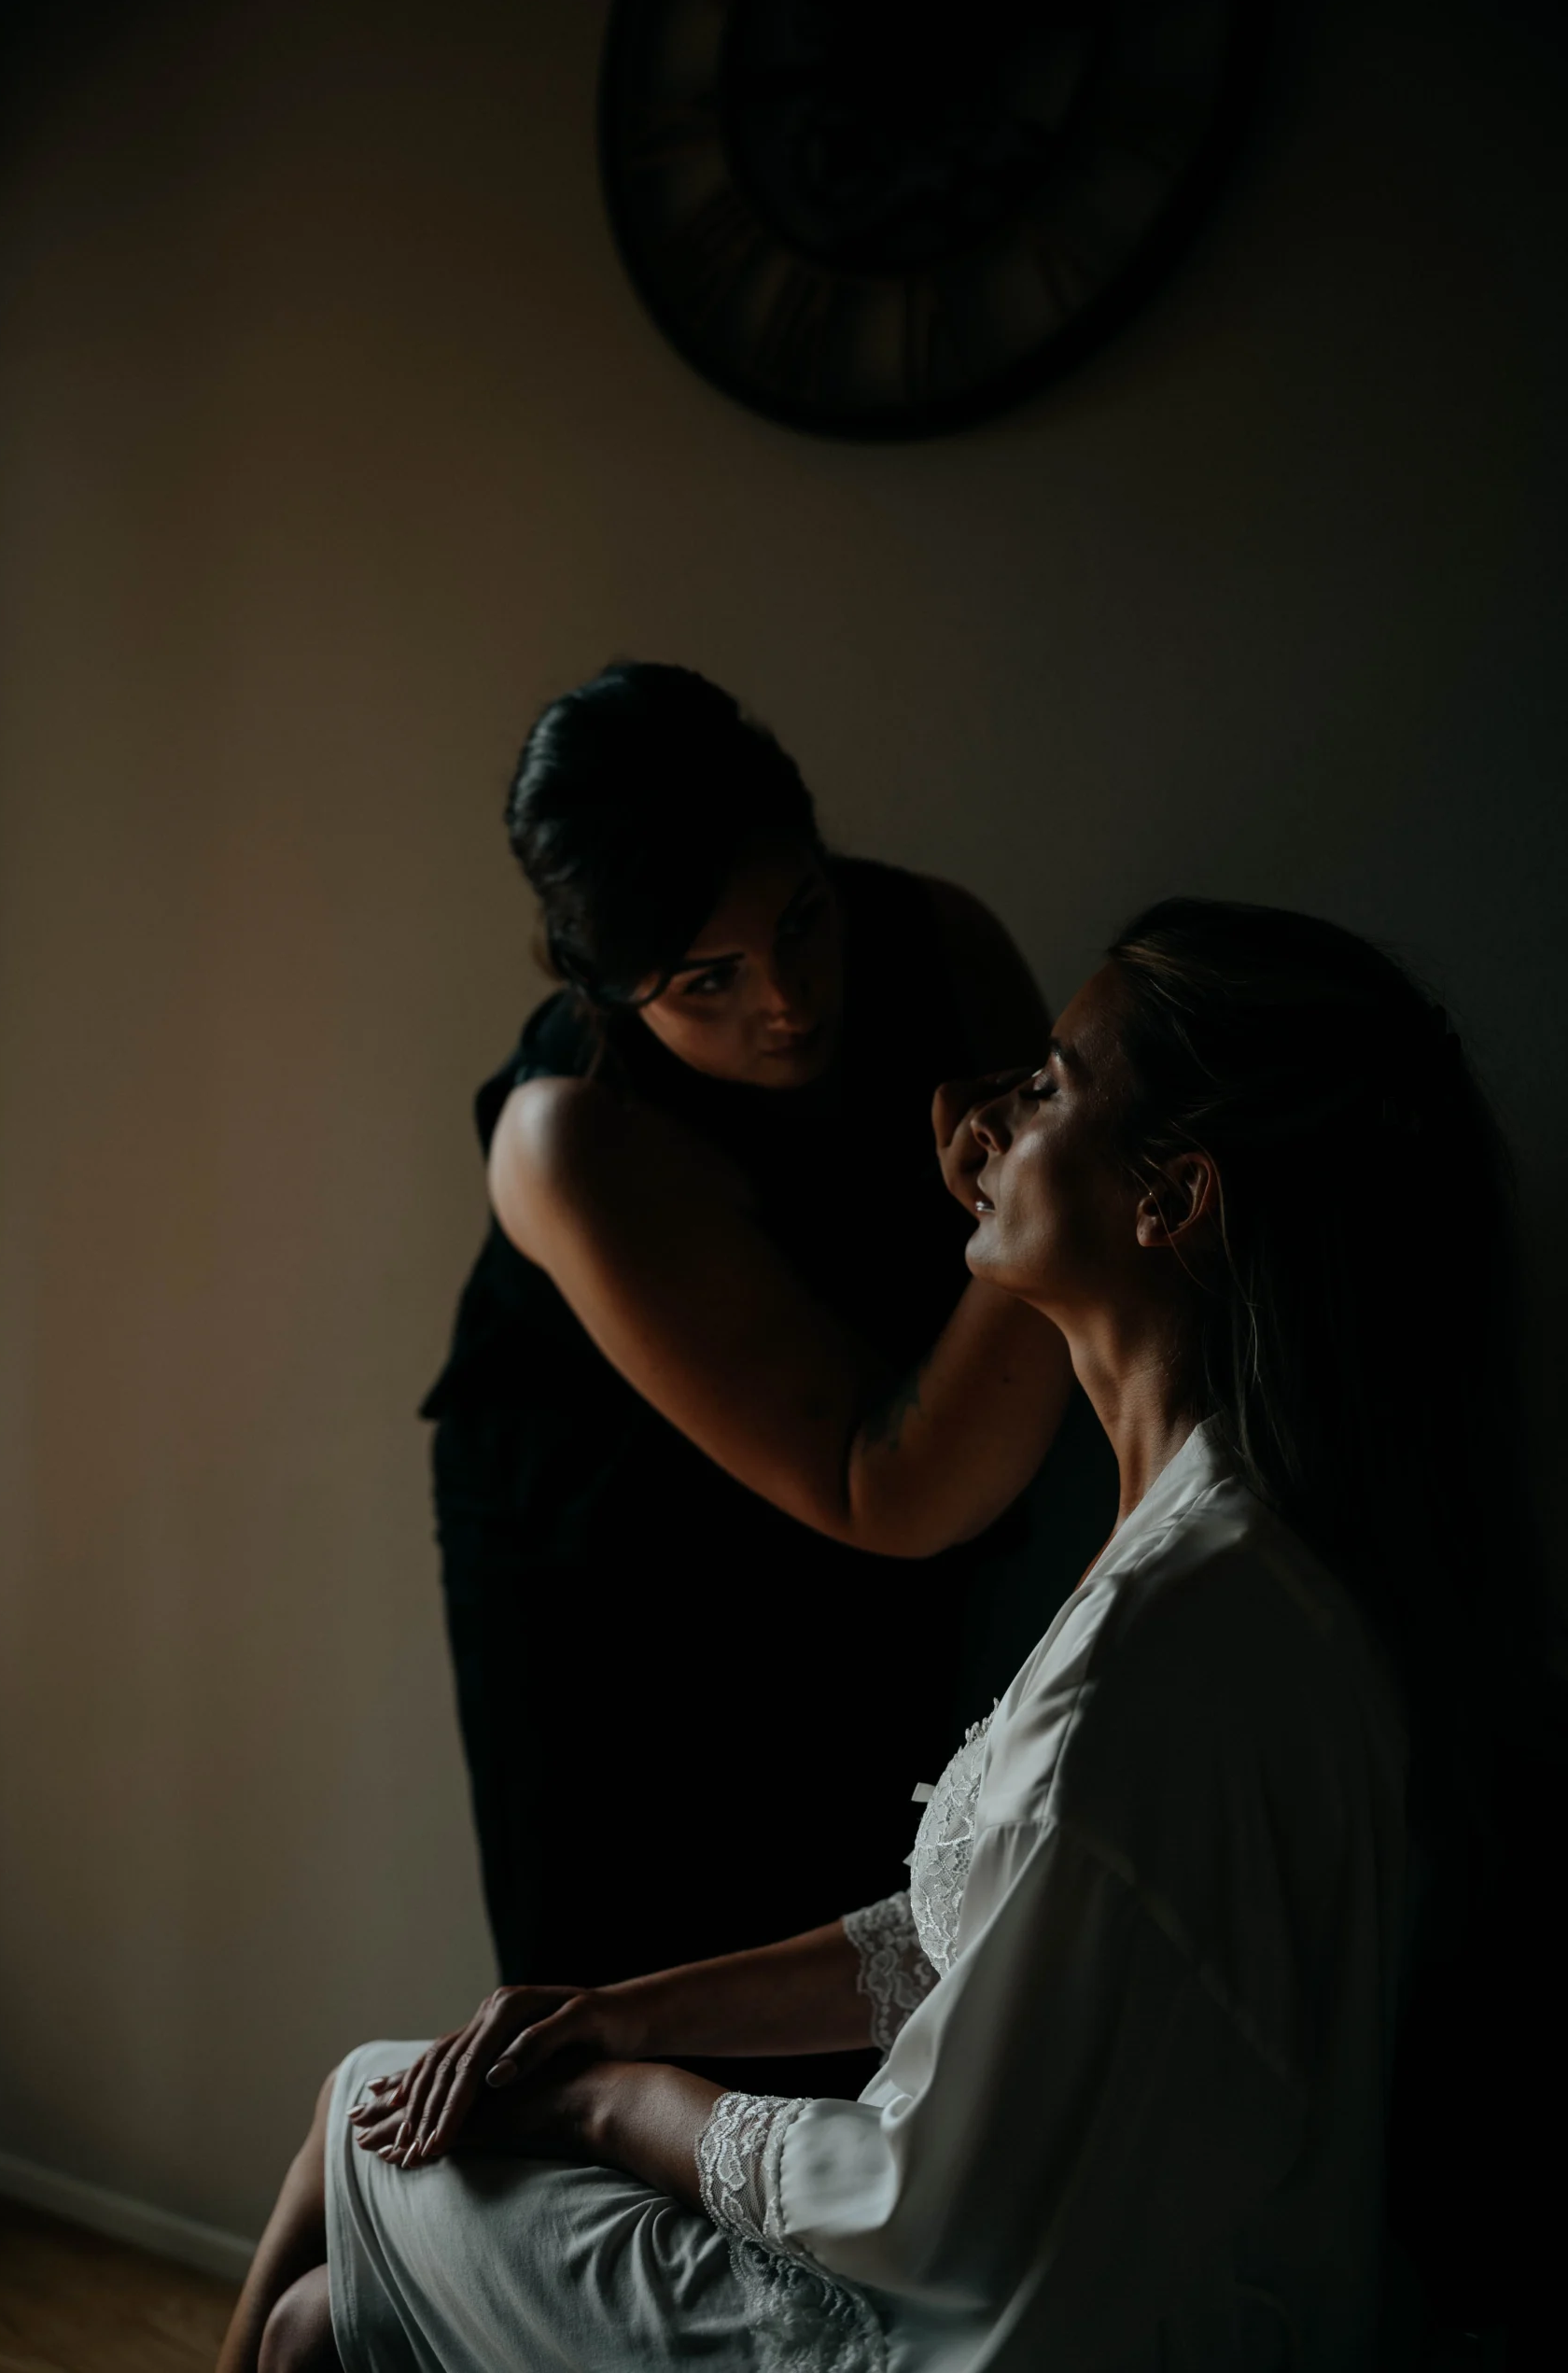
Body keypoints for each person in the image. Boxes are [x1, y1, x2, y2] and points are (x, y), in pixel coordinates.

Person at [219, 897, 1554, 2372]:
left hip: (986, 2329)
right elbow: (962, 1933)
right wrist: (608, 2013)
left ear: (1171, 1198)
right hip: (1085, 2278)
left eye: (1046, 1085)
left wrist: (614, 2097)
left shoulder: (1166, 1652)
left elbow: (926, 2202)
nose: (974, 1116)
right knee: (322, 2307)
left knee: (353, 2145)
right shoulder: (1228, 1547)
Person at [420, 663, 1114, 2060]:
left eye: (801, 915)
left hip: (884, 1523)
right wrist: (1050, 1190)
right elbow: (889, 1490)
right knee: (642, 2025)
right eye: (706, 980)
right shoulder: (570, 1138)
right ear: (607, 984)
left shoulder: (936, 940)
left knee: (884, 1976)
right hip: (608, 1583)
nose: (791, 997)